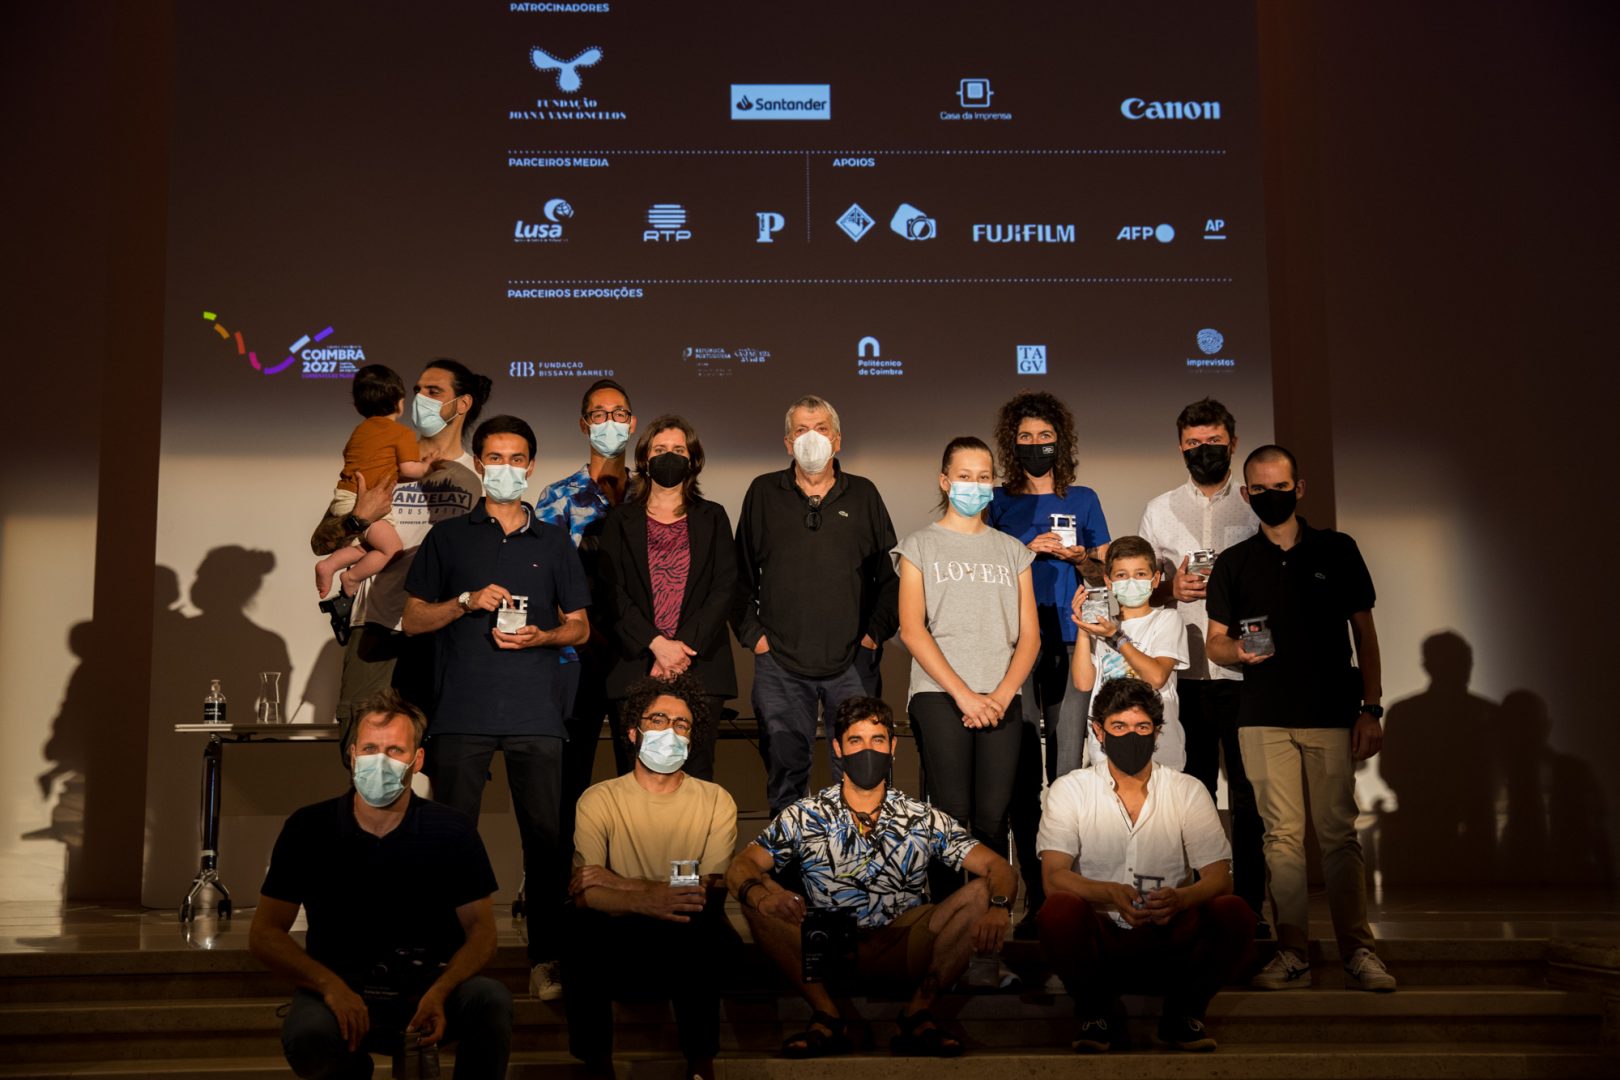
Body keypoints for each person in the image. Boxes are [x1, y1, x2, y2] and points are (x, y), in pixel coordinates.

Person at [402, 415, 592, 1002]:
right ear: (480, 464)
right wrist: (464, 601)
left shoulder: (554, 541)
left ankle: (547, 957)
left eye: (516, 459)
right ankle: (446, 957)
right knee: (450, 838)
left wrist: (543, 636)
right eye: (495, 458)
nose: (506, 468)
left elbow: (581, 627)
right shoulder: (448, 538)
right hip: (462, 710)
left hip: (537, 712)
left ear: (530, 466)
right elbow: (413, 618)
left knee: (546, 840)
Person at [727, 696, 1019, 1059]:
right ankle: (827, 1015)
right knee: (756, 898)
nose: (868, 750)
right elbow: (742, 865)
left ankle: (917, 1014)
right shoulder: (804, 815)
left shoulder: (922, 816)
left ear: (892, 747)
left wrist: (999, 907)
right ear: (838, 748)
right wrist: (763, 895)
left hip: (904, 941)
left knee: (978, 894)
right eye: (856, 740)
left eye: (877, 740)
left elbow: (997, 867)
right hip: (830, 946)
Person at [1205, 444, 1395, 992]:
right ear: (1247, 495)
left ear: (1299, 488)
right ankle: (1292, 952)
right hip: (1262, 718)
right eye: (1261, 490)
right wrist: (1238, 652)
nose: (1271, 496)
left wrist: (1371, 708)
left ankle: (1358, 950)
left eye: (1281, 487)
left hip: (1331, 713)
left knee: (1338, 835)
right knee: (1281, 839)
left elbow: (1365, 634)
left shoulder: (1338, 549)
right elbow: (1216, 642)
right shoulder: (1234, 563)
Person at [248, 690, 512, 1080]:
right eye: (370, 748)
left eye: (394, 750)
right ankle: (352, 1068)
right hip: (338, 986)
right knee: (308, 1035)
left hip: (428, 988)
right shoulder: (310, 827)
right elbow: (265, 932)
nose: (380, 760)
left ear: (417, 760)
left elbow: (482, 930)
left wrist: (441, 990)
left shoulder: (452, 830)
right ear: (353, 755)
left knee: (490, 1000)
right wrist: (329, 986)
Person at [1036, 678, 1254, 1053]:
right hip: (1101, 938)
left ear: (1157, 733)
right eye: (1119, 726)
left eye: (1142, 727)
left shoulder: (1187, 790)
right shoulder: (1071, 790)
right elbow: (1054, 878)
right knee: (1058, 910)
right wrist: (1109, 893)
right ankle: (1094, 1013)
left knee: (1234, 912)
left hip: (1169, 937)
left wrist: (1181, 899)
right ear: (1098, 731)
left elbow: (1220, 878)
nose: (1131, 736)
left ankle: (1184, 1014)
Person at [563, 674, 740, 1080]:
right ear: (633, 731)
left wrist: (621, 883)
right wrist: (647, 896)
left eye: (681, 724)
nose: (670, 731)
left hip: (687, 932)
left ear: (691, 739)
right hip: (621, 938)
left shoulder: (716, 800)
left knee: (702, 924)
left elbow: (704, 890)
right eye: (658, 719)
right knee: (577, 925)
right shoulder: (599, 798)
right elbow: (586, 893)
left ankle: (700, 1065)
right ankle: (597, 1066)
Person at [734, 395, 899, 814]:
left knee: (864, 775)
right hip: (780, 665)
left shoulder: (864, 494)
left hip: (852, 663)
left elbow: (890, 579)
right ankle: (793, 858)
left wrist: (873, 636)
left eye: (821, 429)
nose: (812, 438)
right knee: (786, 780)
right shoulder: (763, 492)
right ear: (788, 443)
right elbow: (738, 576)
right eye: (802, 430)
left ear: (837, 440)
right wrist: (756, 638)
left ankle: (861, 857)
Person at [1137, 397, 1265, 931]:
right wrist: (1172, 587)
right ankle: (1188, 906)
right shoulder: (1159, 509)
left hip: (1245, 671)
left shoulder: (1255, 505)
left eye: (1213, 442)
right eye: (1193, 443)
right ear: (1180, 448)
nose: (1203, 450)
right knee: (1189, 794)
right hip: (1184, 673)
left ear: (1232, 444)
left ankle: (1250, 909)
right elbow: (1137, 588)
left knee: (1251, 796)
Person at [308, 359, 489, 730]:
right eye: (418, 390)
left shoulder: (479, 473)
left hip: (443, 625)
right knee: (363, 740)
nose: (421, 398)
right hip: (375, 625)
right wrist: (359, 518)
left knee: (443, 743)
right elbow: (321, 541)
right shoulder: (383, 458)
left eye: (434, 391)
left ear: (463, 403)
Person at [987, 391, 1110, 932]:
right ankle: (1032, 897)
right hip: (1014, 645)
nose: (1036, 445)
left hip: (1069, 642)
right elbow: (985, 568)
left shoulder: (1084, 499)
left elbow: (1105, 574)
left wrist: (1082, 557)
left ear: (1061, 441)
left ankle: (1066, 897)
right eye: (1026, 437)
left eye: (1045, 436)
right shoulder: (996, 502)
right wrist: (1026, 548)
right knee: (1018, 770)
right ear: (1012, 443)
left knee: (1066, 768)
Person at [895, 435, 1039, 890]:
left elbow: (1030, 637)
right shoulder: (918, 546)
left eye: (983, 477)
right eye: (964, 476)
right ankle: (945, 917)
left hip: (1001, 696)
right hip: (939, 695)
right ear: (944, 481)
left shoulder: (1013, 551)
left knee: (994, 816)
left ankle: (990, 913)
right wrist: (963, 696)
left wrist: (1000, 695)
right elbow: (912, 630)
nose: (974, 485)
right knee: (951, 815)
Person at [599, 415, 737, 781]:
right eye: (660, 449)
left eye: (678, 449)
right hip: (635, 664)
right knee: (633, 776)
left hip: (700, 666)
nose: (669, 456)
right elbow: (611, 591)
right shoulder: (620, 519)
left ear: (693, 459)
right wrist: (656, 644)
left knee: (696, 775)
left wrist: (680, 649)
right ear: (644, 459)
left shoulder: (713, 516)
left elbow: (724, 587)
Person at [535, 379, 638, 839]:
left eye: (619, 414)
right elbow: (544, 581)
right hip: (575, 659)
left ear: (632, 424)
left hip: (637, 656)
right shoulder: (558, 497)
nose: (609, 422)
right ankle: (562, 873)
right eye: (599, 414)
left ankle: (635, 872)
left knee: (639, 776)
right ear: (584, 424)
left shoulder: (651, 493)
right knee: (568, 777)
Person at [313, 365, 438, 603]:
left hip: (344, 496)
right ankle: (351, 577)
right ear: (399, 403)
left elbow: (360, 461)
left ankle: (330, 565)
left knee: (370, 547)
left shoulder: (359, 432)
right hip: (363, 502)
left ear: (359, 405)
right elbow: (409, 469)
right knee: (392, 549)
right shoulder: (401, 433)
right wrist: (429, 467)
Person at [1070, 535, 1190, 770]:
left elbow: (1156, 677)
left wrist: (1116, 637)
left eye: (1140, 574)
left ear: (1155, 579)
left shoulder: (1167, 619)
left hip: (1158, 751)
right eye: (1122, 575)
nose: (1131, 581)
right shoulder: (1101, 627)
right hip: (1106, 751)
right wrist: (1083, 630)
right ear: (1109, 581)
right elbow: (1083, 683)